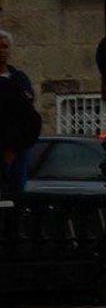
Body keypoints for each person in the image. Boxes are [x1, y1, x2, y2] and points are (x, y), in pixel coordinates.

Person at [0, 29, 40, 200]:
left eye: (5, 46)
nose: (2, 51)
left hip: (19, 146)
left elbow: (26, 109)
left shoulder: (19, 78)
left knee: (16, 194)